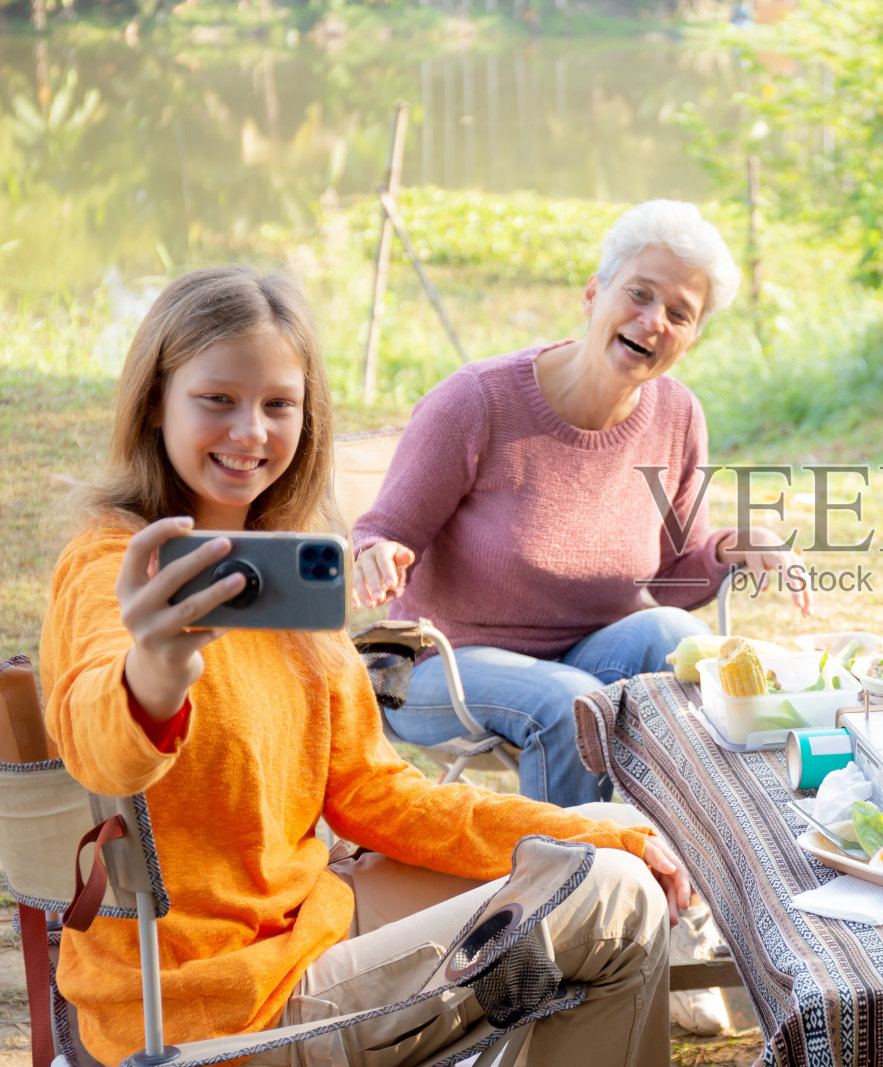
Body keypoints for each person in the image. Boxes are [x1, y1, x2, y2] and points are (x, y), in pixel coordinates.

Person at [41, 265, 690, 1067]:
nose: (250, 431)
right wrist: (156, 670)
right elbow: (99, 750)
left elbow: (375, 796)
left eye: (279, 404)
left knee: (614, 837)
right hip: (214, 1007)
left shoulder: (290, 588)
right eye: (218, 400)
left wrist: (573, 824)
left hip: (303, 923)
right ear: (155, 402)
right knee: (615, 896)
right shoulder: (114, 566)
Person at [351, 200, 810, 807]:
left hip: (586, 656)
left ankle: (688, 856)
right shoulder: (477, 401)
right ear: (594, 294)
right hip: (434, 662)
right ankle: (569, 889)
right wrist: (376, 553)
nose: (654, 321)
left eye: (679, 313)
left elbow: (672, 583)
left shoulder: (677, 417)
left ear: (691, 337)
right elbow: (381, 530)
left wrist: (734, 545)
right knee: (571, 703)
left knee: (678, 635)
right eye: (639, 294)